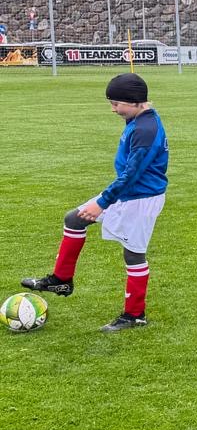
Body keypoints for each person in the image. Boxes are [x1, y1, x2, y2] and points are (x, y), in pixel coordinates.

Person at [21, 72, 168, 332]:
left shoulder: (146, 130)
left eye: (116, 104)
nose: (113, 109)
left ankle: (135, 315)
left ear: (134, 101)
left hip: (140, 198)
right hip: (126, 193)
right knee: (74, 219)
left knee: (133, 254)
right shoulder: (138, 119)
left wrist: (102, 203)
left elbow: (132, 174)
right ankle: (61, 279)